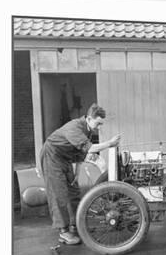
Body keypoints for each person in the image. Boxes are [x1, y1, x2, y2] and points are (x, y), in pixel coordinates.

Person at [40, 103, 120, 245]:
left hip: (65, 158)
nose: (99, 127)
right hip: (51, 156)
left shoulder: (88, 129)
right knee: (59, 193)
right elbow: (90, 148)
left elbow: (79, 154)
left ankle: (75, 225)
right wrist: (110, 143)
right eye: (98, 123)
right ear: (89, 118)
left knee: (74, 190)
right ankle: (63, 232)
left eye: (102, 124)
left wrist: (76, 173)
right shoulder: (74, 128)